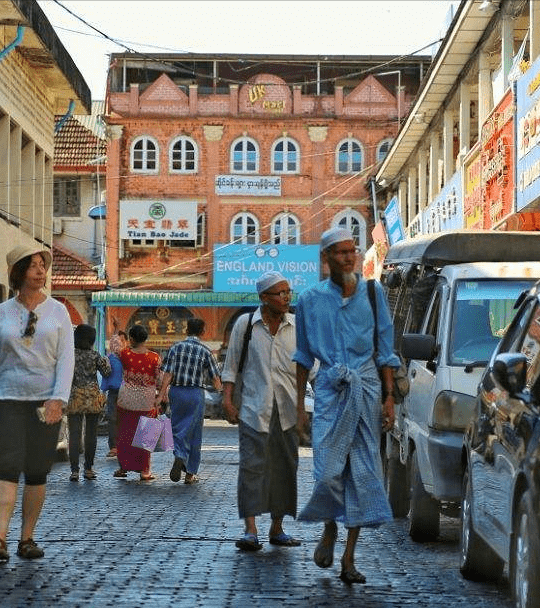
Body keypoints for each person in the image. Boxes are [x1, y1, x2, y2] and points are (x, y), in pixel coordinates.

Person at [293, 227, 400, 585]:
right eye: (340, 252)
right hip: (329, 390)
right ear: (326, 259)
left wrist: (388, 398)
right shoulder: (309, 300)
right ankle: (328, 527)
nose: (348, 257)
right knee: (327, 470)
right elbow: (303, 357)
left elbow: (385, 348)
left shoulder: (373, 292)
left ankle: (349, 558)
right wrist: (296, 405)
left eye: (352, 250)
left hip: (367, 387)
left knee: (363, 473)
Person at [0, 244, 74, 561]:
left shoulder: (58, 311)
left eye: (42, 265)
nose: (40, 270)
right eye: (32, 265)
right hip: (7, 399)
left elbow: (66, 360)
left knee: (36, 470)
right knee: (6, 465)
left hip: (46, 402)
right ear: (18, 272)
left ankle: (27, 538)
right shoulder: (2, 313)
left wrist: (59, 398)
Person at [222, 271, 302, 552]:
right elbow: (231, 367)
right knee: (251, 469)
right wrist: (228, 400)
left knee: (285, 469)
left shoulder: (297, 327)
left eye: (288, 292)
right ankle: (251, 530)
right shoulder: (245, 326)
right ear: (263, 298)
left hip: (289, 411)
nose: (286, 297)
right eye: (280, 293)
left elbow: (309, 370)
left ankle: (277, 528)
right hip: (254, 410)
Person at [155, 318, 222, 484]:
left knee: (176, 426)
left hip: (177, 392)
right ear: (202, 332)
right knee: (194, 432)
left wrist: (160, 395)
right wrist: (222, 393)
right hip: (195, 394)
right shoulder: (205, 351)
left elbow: (167, 374)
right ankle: (190, 473)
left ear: (186, 330)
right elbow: (216, 379)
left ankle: (179, 454)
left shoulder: (175, 348)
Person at [114, 325, 159, 481]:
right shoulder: (154, 357)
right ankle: (145, 471)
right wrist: (160, 398)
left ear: (131, 339)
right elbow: (159, 379)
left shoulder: (125, 354)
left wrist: (116, 331)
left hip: (126, 400)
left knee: (125, 434)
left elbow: (115, 346)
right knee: (146, 437)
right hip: (147, 402)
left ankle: (123, 467)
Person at [67, 324, 111, 481]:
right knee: (91, 434)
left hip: (75, 397)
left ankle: (74, 470)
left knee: (74, 434)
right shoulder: (95, 356)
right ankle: (89, 468)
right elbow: (107, 372)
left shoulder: (70, 355)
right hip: (92, 397)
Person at [101, 331, 126, 458]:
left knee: (112, 419)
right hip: (125, 392)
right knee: (123, 419)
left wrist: (103, 391)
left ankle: (114, 447)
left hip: (113, 393)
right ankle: (122, 446)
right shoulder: (126, 358)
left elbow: (105, 377)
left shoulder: (109, 358)